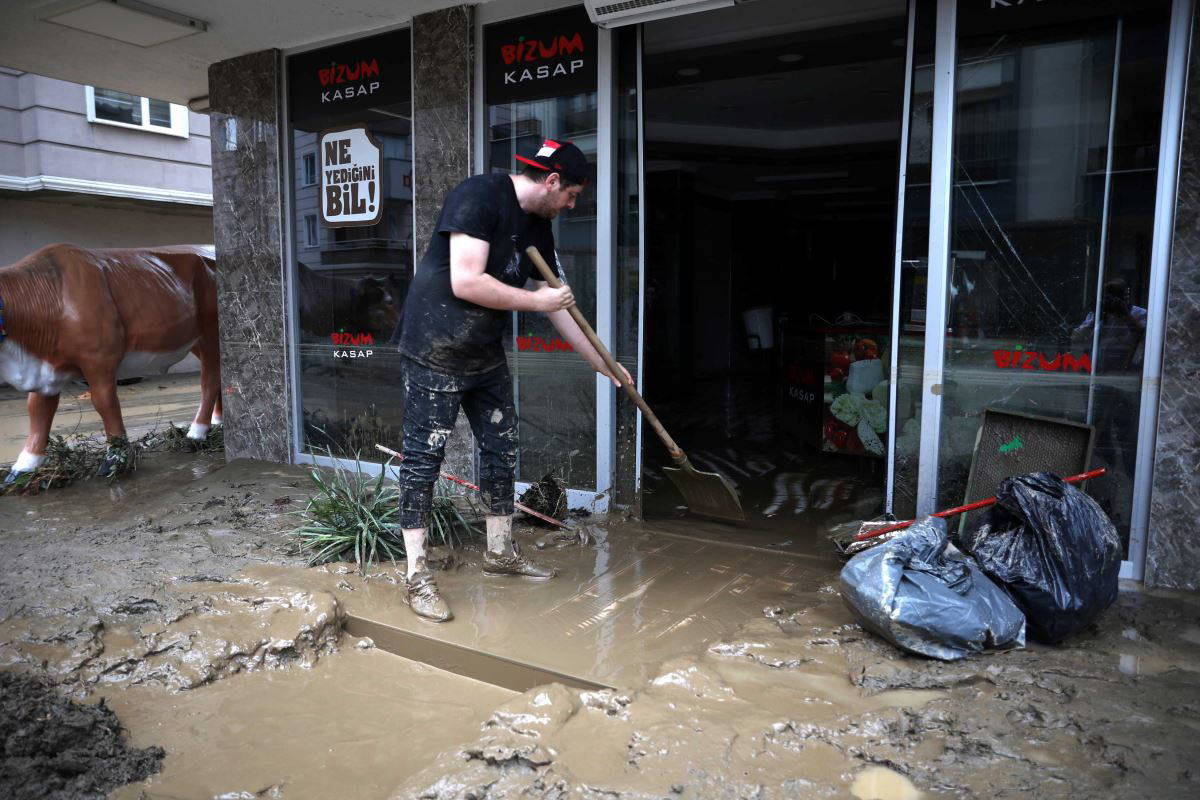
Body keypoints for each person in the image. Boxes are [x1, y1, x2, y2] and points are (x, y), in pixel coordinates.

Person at [395, 139, 631, 622]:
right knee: (423, 461)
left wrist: (599, 361)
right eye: (572, 195)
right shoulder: (479, 195)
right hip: (434, 346)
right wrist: (541, 304)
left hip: (483, 353)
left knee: (501, 448)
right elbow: (467, 281)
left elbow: (557, 300)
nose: (572, 204)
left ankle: (500, 552)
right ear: (552, 181)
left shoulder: (539, 227)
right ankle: (417, 574)